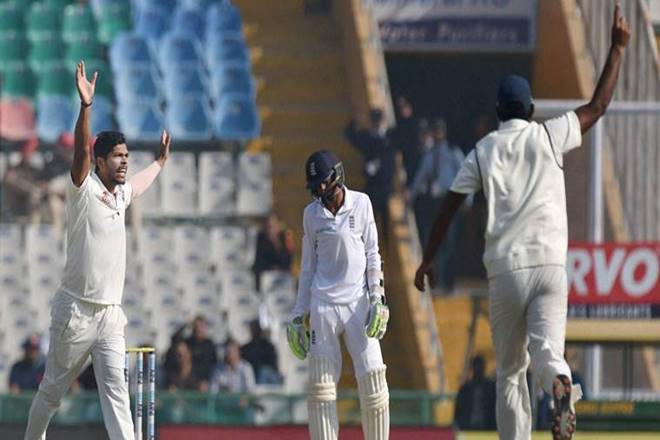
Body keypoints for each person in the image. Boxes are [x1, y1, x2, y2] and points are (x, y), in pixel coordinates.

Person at [414, 5, 630, 439]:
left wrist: (428, 260)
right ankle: (559, 382)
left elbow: (448, 208)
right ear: (530, 108)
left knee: (510, 373)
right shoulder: (550, 134)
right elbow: (599, 105)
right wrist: (617, 48)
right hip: (550, 266)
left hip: (507, 271)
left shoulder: (483, 150)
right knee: (547, 351)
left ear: (498, 110)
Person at [24, 61, 171, 440]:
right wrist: (86, 108)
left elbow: (139, 184)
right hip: (75, 310)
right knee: (52, 391)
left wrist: (158, 162)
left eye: (127, 156)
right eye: (118, 157)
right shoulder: (83, 190)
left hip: (109, 315)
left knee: (117, 397)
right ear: (101, 161)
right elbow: (80, 157)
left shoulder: (121, 194)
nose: (124, 161)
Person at [287, 150, 390, 440]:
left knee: (373, 380)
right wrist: (298, 314)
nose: (320, 190)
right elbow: (307, 268)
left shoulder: (362, 203)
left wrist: (378, 298)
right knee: (321, 389)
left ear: (336, 175)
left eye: (323, 182)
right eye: (315, 186)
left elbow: (373, 254)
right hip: (323, 306)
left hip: (359, 303)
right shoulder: (311, 214)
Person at [408, 118, 465, 292]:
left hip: (448, 200)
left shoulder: (453, 153)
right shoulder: (430, 155)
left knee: (449, 243)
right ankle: (437, 282)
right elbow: (421, 177)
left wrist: (466, 200)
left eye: (440, 130)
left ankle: (449, 282)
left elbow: (465, 175)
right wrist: (411, 194)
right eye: (435, 130)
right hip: (433, 203)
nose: (437, 134)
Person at [345, 109, 396, 236]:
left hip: (386, 186)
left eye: (378, 120)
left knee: (386, 224)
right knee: (366, 217)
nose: (377, 123)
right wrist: (356, 121)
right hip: (372, 185)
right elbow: (351, 136)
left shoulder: (390, 137)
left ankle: (385, 244)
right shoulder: (367, 137)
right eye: (375, 120)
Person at [252, 213, 295, 291]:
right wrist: (272, 268)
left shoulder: (284, 238)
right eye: (268, 224)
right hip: (265, 276)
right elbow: (259, 259)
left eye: (273, 224)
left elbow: (289, 259)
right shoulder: (260, 239)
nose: (270, 227)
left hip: (283, 275)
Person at [454, 355, 496, 431]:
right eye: (476, 366)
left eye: (480, 366)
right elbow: (458, 411)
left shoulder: (491, 388)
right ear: (472, 368)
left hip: (488, 430)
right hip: (468, 429)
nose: (478, 369)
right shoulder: (465, 389)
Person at [389, 96, 420, 188]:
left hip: (415, 160)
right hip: (405, 161)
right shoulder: (398, 128)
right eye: (400, 108)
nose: (403, 110)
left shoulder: (416, 126)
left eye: (404, 107)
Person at [240, 319, 281, 384]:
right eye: (253, 328)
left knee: (264, 372)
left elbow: (273, 366)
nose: (254, 331)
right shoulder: (245, 348)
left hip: (266, 378)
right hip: (250, 377)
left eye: (256, 328)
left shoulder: (269, 347)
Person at [185, 315, 217, 388]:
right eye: (196, 326)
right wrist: (186, 325)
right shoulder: (188, 343)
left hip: (207, 382)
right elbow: (174, 339)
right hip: (189, 381)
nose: (198, 329)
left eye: (201, 326)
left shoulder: (210, 344)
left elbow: (213, 365)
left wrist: (206, 381)